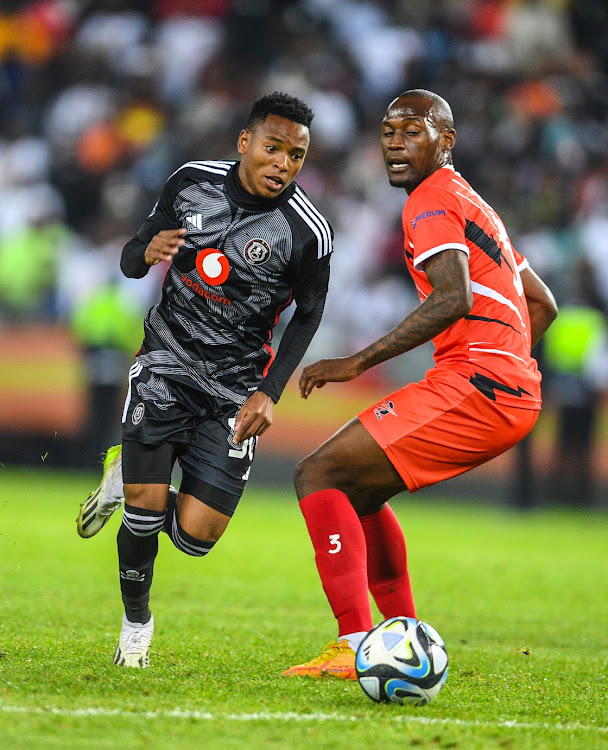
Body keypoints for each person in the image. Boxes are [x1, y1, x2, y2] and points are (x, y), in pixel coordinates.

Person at [281, 89, 558, 680]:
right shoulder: (474, 203)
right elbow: (543, 303)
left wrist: (356, 362)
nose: (396, 144)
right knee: (358, 492)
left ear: (446, 142)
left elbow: (454, 297)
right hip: (503, 387)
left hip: (477, 383)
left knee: (317, 474)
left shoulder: (431, 200)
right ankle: (398, 639)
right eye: (388, 133)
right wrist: (509, 358)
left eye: (413, 132)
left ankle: (353, 645)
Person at [75, 92, 333, 668]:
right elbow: (130, 256)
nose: (283, 165)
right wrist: (149, 251)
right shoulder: (190, 182)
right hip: (166, 362)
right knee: (144, 511)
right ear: (245, 142)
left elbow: (310, 313)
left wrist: (270, 391)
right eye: (273, 148)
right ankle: (135, 625)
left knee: (196, 537)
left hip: (236, 389)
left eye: (296, 156)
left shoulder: (308, 231)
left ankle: (127, 479)